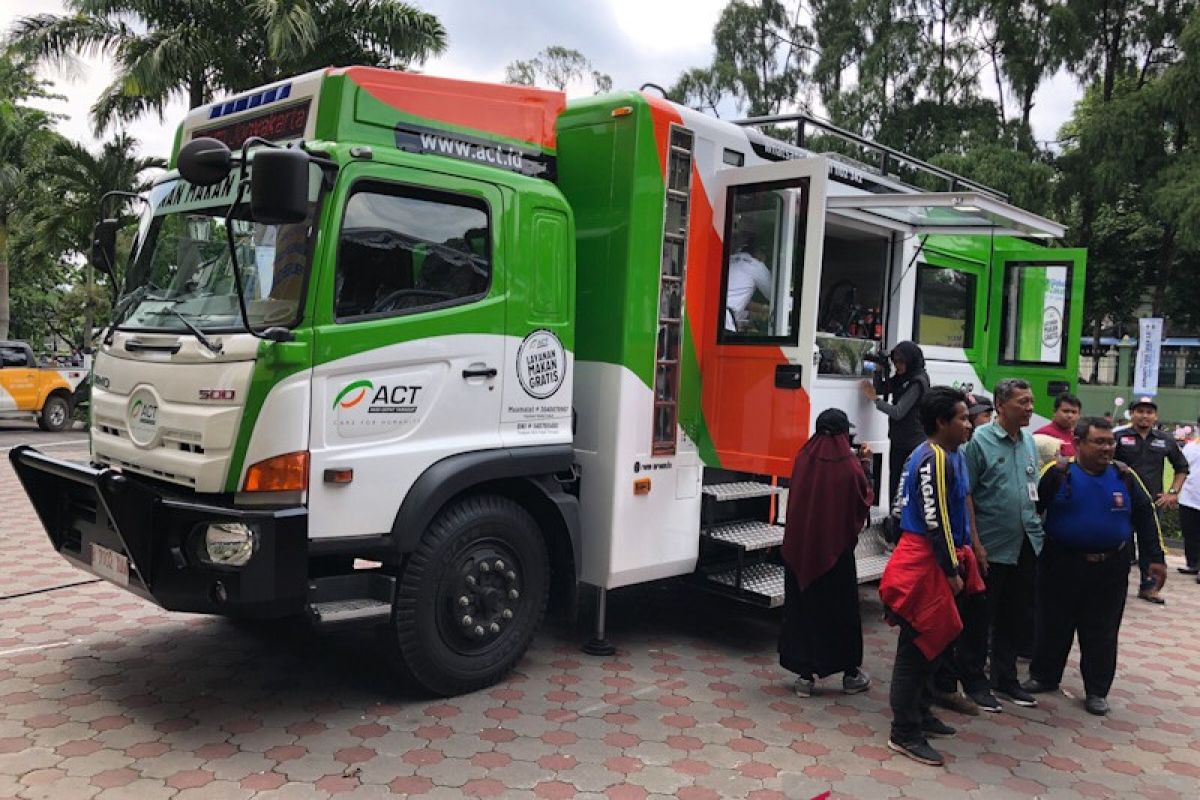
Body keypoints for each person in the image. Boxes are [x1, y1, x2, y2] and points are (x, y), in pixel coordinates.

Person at [1021, 417, 1166, 715]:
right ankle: (1044, 676)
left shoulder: (1125, 476)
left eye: (1110, 442)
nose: (1107, 448)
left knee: (1101, 631)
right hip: (1060, 564)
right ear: (1078, 443)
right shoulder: (1058, 473)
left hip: (1110, 568)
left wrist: (1155, 559)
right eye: (1099, 442)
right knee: (1052, 623)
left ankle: (1097, 691)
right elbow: (1031, 512)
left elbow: (1146, 517)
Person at [879, 386, 984, 767]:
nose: (969, 424)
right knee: (917, 646)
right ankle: (904, 731)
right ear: (942, 422)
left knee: (935, 644)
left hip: (936, 558)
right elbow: (934, 517)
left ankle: (921, 711)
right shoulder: (933, 458)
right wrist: (950, 569)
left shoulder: (946, 455)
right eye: (962, 418)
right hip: (925, 563)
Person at [960, 378, 1043, 712]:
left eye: (1031, 401)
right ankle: (973, 681)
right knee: (980, 616)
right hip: (991, 545)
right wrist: (975, 543)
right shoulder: (979, 442)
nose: (1030, 408)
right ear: (1000, 405)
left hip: (1026, 542)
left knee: (1014, 615)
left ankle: (1005, 679)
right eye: (1022, 402)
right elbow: (965, 494)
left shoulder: (1029, 442)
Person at [779, 408, 874, 697]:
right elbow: (863, 499)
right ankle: (849, 675)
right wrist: (866, 464)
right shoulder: (849, 464)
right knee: (840, 612)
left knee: (802, 610)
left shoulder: (803, 456)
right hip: (835, 554)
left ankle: (804, 678)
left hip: (801, 549)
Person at [1113, 396, 1189, 604]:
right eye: (1140, 411)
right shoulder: (1118, 437)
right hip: (1122, 501)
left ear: (1155, 416)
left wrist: (1173, 492)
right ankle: (1114, 587)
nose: (1144, 415)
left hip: (1153, 502)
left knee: (1150, 546)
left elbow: (1181, 468)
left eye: (1149, 412)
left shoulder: (1165, 439)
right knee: (1119, 544)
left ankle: (1148, 587)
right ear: (1132, 414)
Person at [861, 341, 930, 511]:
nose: (897, 366)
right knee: (895, 482)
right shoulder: (903, 378)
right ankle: (894, 520)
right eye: (895, 362)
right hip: (899, 439)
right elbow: (883, 388)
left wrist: (875, 400)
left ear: (911, 361)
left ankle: (902, 521)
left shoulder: (917, 381)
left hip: (913, 441)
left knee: (905, 484)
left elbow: (898, 411)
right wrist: (879, 370)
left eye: (901, 362)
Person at [724, 242, 772, 332]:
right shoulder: (756, 265)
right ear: (759, 253)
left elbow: (735, 299)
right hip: (724, 322)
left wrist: (761, 310)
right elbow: (776, 296)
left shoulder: (729, 259)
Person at [1179, 419, 1200, 577]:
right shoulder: (1191, 447)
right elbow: (1182, 469)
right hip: (1189, 496)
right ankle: (1192, 564)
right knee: (1190, 533)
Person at [1035, 393, 1082, 458]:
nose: (1070, 415)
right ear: (1055, 412)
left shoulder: (1079, 436)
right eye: (1065, 411)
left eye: (1074, 412)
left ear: (1079, 415)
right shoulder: (1043, 434)